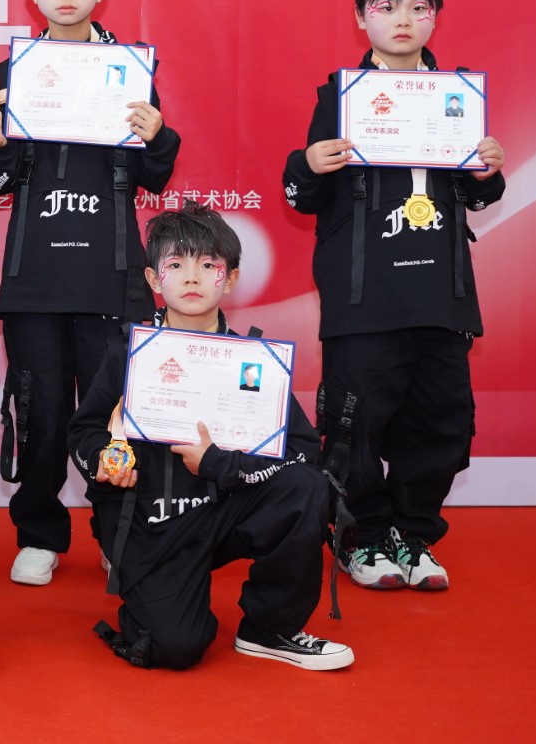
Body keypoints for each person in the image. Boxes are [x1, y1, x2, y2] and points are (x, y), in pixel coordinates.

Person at [282, 0, 506, 591]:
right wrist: (308, 164)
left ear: (436, 16)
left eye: (419, 6)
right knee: (353, 427)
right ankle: (363, 539)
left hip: (439, 295)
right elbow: (301, 196)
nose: (403, 18)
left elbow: (482, 194)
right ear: (361, 17)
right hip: (365, 298)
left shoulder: (457, 97)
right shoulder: (340, 98)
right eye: (386, 6)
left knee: (441, 425)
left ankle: (413, 535)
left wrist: (487, 168)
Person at [0, 0, 180, 585]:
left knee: (116, 413)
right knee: (40, 413)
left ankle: (118, 531)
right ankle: (39, 532)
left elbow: (154, 177)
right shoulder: (14, 75)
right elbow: (3, 181)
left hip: (109, 277)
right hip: (36, 278)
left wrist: (157, 135)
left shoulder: (131, 71)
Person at [69, 202, 352, 671]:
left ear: (231, 278)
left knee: (306, 488)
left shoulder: (253, 360)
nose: (192, 277)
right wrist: (102, 459)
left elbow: (303, 452)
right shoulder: (129, 352)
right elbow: (83, 430)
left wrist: (221, 464)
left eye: (208, 265)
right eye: (176, 265)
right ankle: (151, 594)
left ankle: (270, 628)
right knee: (175, 649)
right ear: (154, 279)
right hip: (152, 521)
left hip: (225, 509)